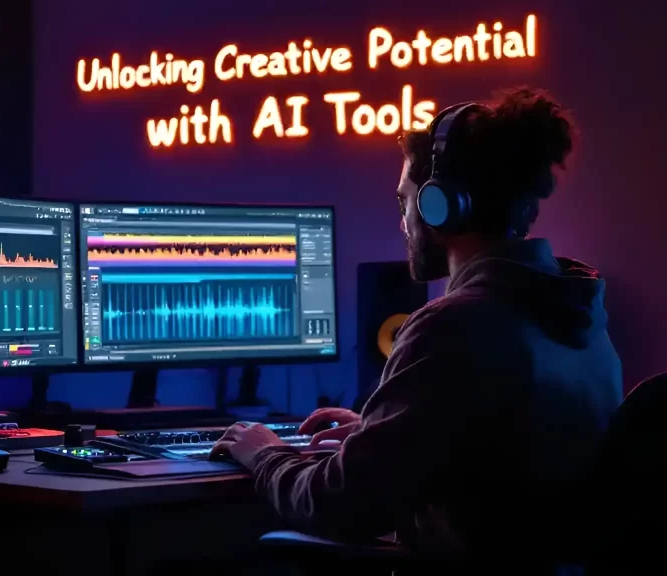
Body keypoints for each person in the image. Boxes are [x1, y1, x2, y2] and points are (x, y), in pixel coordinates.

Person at [210, 87, 623, 561]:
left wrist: (264, 454)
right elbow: (500, 456)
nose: (404, 221)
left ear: (440, 206)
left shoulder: (453, 326)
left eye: (406, 200)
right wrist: (382, 431)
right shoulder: (582, 317)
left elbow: (341, 505)